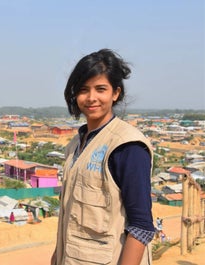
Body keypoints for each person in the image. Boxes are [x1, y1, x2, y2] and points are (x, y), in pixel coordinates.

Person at [52, 49, 154, 265]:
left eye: (100, 89)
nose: (91, 98)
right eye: (83, 90)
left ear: (115, 93)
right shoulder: (75, 145)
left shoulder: (127, 146)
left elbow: (141, 227)